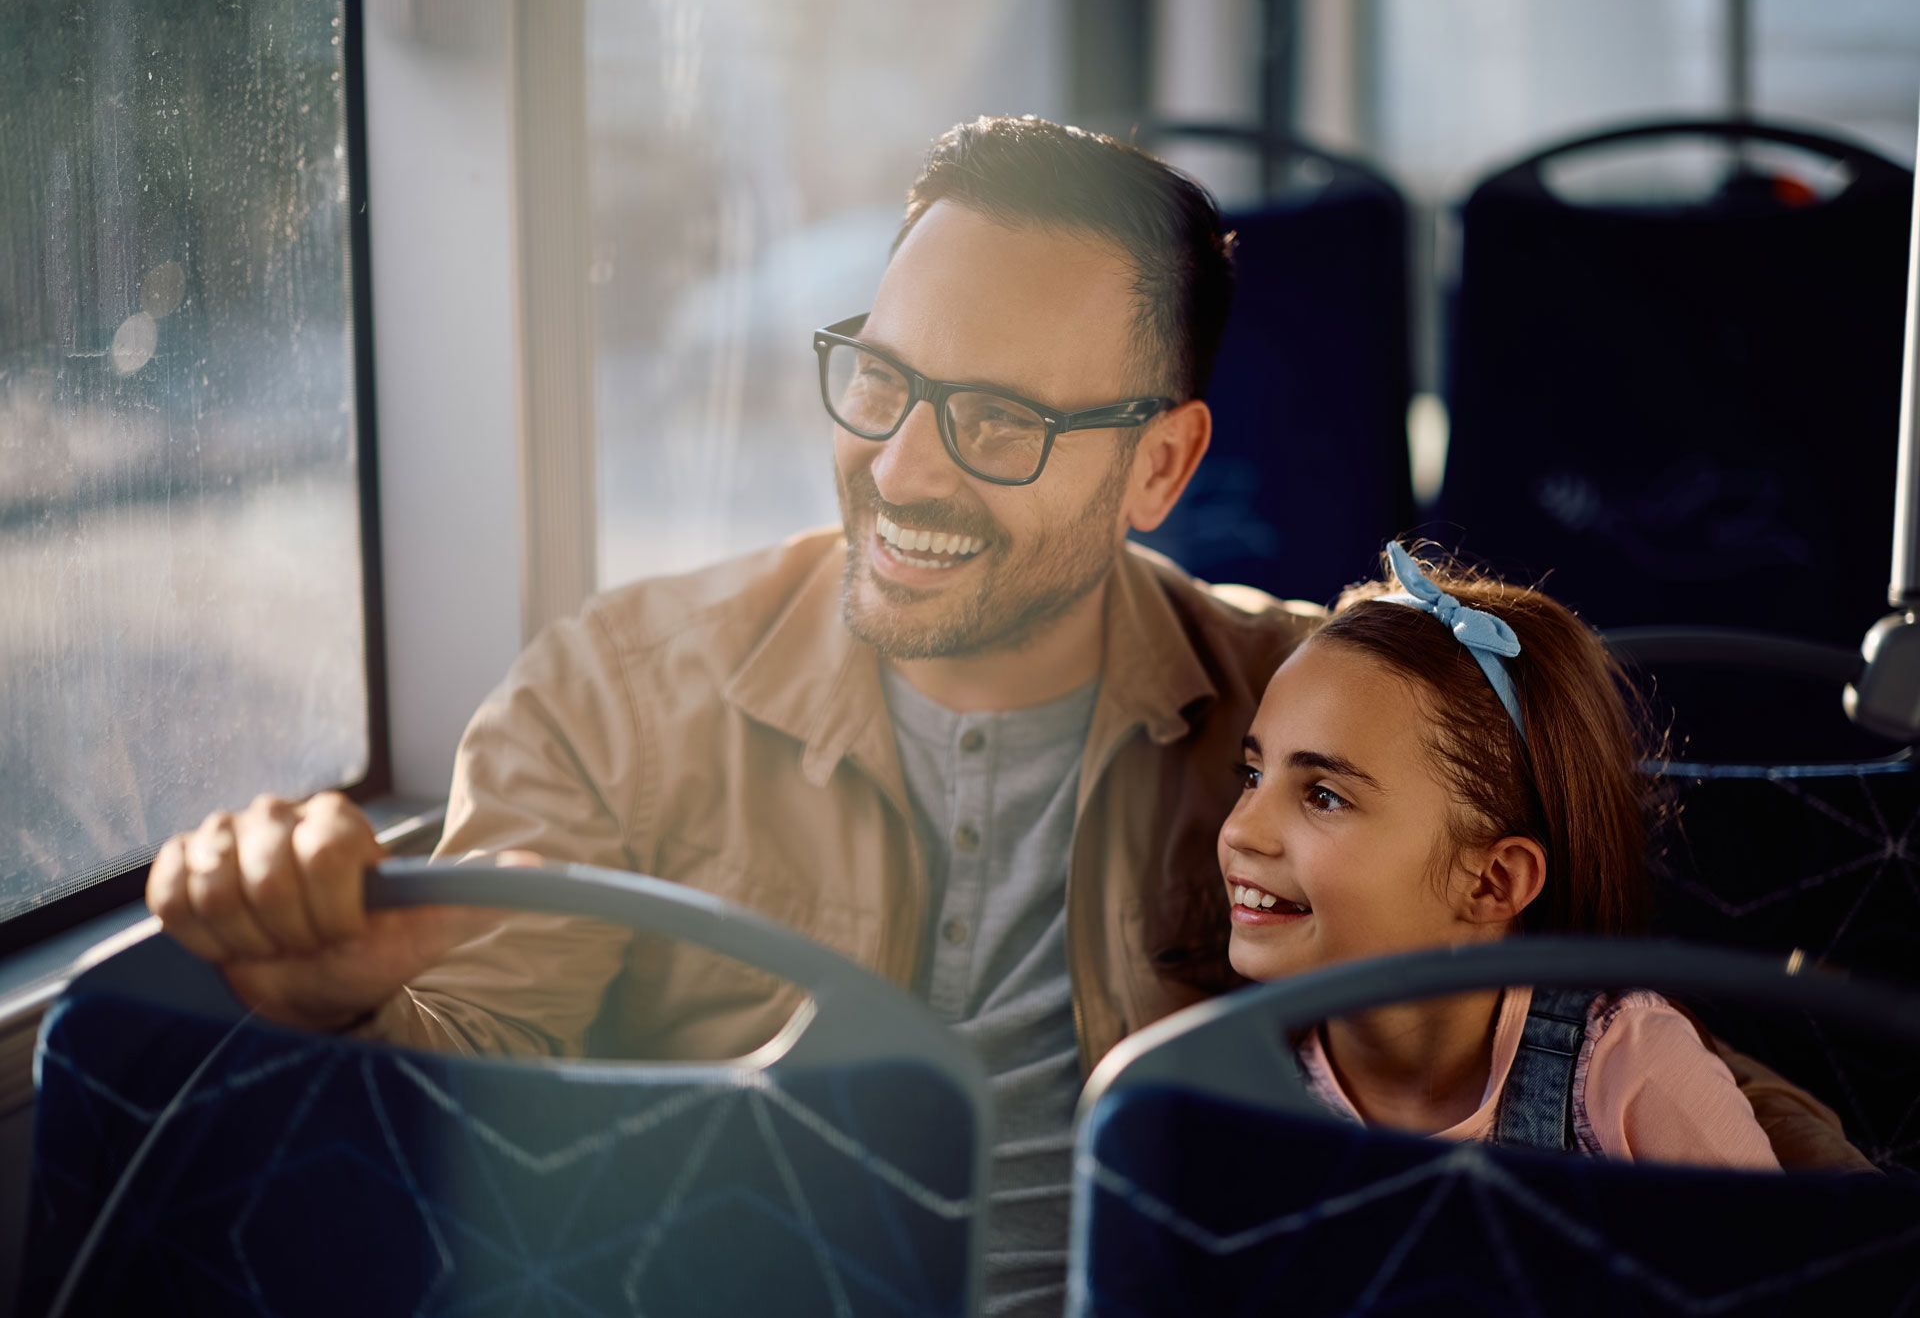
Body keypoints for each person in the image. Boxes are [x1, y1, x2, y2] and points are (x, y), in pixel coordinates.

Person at [144, 113, 1323, 1314]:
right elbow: (481, 1101)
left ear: (1160, 467)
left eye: (1002, 422)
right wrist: (343, 1007)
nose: (903, 469)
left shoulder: (1310, 713)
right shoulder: (612, 697)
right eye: (883, 378)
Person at [1220, 541, 1778, 1166]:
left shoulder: (1629, 1069)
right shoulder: (1230, 1086)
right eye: (1251, 775)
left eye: (1323, 796)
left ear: (1492, 882)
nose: (1242, 830)